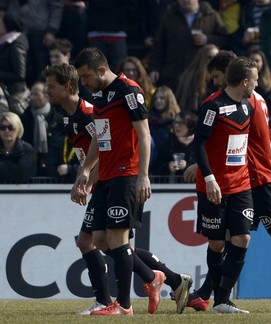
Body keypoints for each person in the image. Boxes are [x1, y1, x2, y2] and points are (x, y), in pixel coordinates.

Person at [45, 62, 194, 315]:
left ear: (66, 86)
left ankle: (111, 301)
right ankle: (168, 279)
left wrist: (88, 180)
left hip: (115, 178)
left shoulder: (90, 111)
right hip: (104, 180)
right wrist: (84, 175)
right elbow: (99, 147)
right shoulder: (71, 117)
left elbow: (106, 151)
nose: (47, 90)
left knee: (96, 241)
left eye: (51, 86)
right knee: (110, 243)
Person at [184, 50, 271, 311]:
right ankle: (212, 297)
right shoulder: (219, 105)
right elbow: (210, 142)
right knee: (222, 241)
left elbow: (269, 138)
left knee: (268, 239)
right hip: (236, 181)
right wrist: (207, 170)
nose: (215, 81)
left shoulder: (253, 104)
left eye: (217, 76)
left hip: (255, 180)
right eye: (256, 78)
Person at [72, 47, 161, 316]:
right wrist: (86, 170)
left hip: (127, 174)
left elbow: (144, 133)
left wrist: (143, 175)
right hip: (107, 175)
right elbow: (100, 138)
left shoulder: (129, 90)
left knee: (118, 238)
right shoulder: (99, 98)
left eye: (86, 76)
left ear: (101, 70)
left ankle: (123, 305)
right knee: (99, 240)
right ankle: (153, 277)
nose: (83, 83)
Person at [192, 56, 258, 314]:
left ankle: (222, 299)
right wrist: (209, 179)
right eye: (255, 79)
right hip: (214, 187)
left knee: (242, 238)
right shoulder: (212, 106)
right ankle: (218, 299)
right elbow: (198, 143)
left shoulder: (248, 106)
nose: (257, 83)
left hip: (241, 185)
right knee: (217, 244)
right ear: (244, 81)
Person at [147, 0, 228, 92]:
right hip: (174, 74)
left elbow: (225, 40)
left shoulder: (211, 15)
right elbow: (159, 45)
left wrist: (208, 39)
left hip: (202, 76)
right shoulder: (169, 16)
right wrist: (154, 68)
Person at [20, 81, 65, 177]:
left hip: (53, 170)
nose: (32, 97)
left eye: (36, 94)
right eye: (31, 94)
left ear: (47, 95)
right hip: (32, 169)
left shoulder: (59, 119)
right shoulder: (24, 119)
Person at [175, 43, 219, 113]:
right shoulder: (191, 77)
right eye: (210, 57)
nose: (214, 61)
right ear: (203, 59)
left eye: (216, 58)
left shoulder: (223, 78)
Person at [152, 110, 197, 179]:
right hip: (172, 187)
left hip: (194, 186)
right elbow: (155, 169)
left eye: (181, 123)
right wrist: (168, 167)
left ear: (190, 125)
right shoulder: (167, 144)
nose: (176, 126)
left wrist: (187, 166)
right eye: (175, 122)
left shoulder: (198, 145)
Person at [0, 12, 29, 115]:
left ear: (8, 25)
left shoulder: (16, 45)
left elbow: (20, 74)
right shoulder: (4, 42)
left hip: (15, 96)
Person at [148, 86, 181, 165]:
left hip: (168, 164)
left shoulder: (176, 121)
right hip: (151, 163)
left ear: (169, 100)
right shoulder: (149, 120)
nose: (158, 101)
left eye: (162, 98)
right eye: (156, 98)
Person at [0, 111, 35, 183]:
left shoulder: (27, 149)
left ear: (18, 129)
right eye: (2, 127)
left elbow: (22, 173)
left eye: (11, 127)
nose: (6, 131)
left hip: (22, 191)